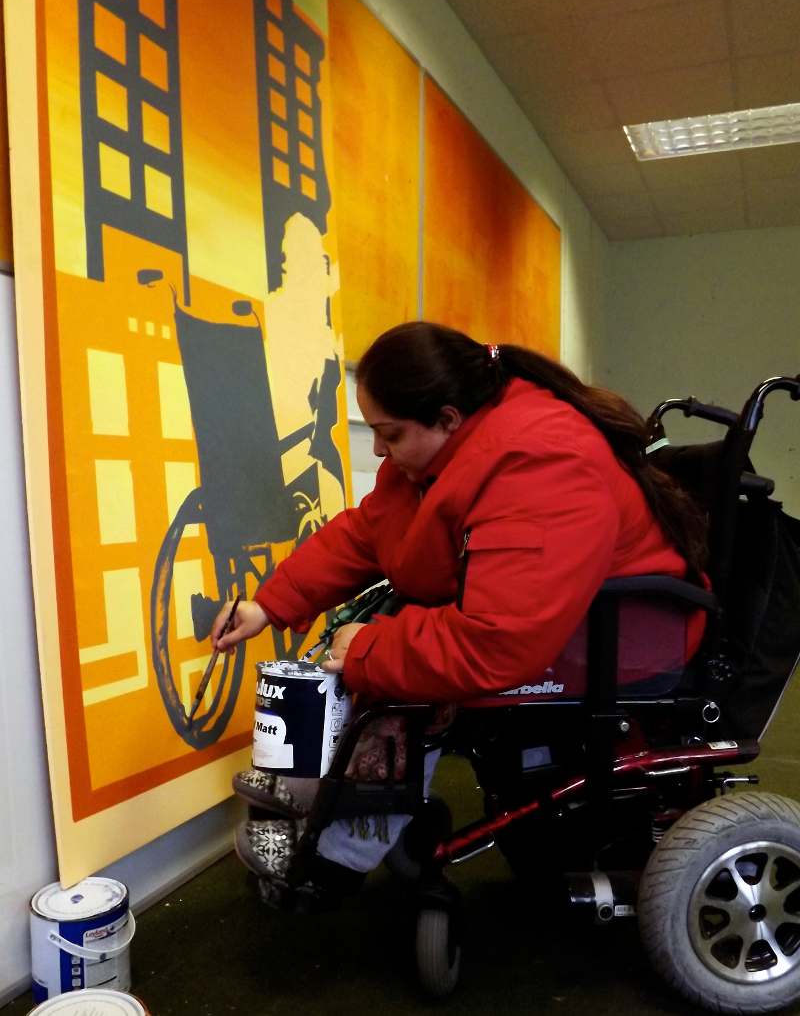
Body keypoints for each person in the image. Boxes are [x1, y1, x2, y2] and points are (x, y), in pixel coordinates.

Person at [212, 321, 707, 906]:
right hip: (563, 621)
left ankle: (337, 853)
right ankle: (361, 817)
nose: (377, 449)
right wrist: (269, 604)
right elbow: (371, 534)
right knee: (376, 652)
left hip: (622, 638)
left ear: (447, 418)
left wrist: (371, 649)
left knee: (387, 673)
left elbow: (497, 643)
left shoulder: (541, 463)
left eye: (387, 433)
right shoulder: (456, 449)